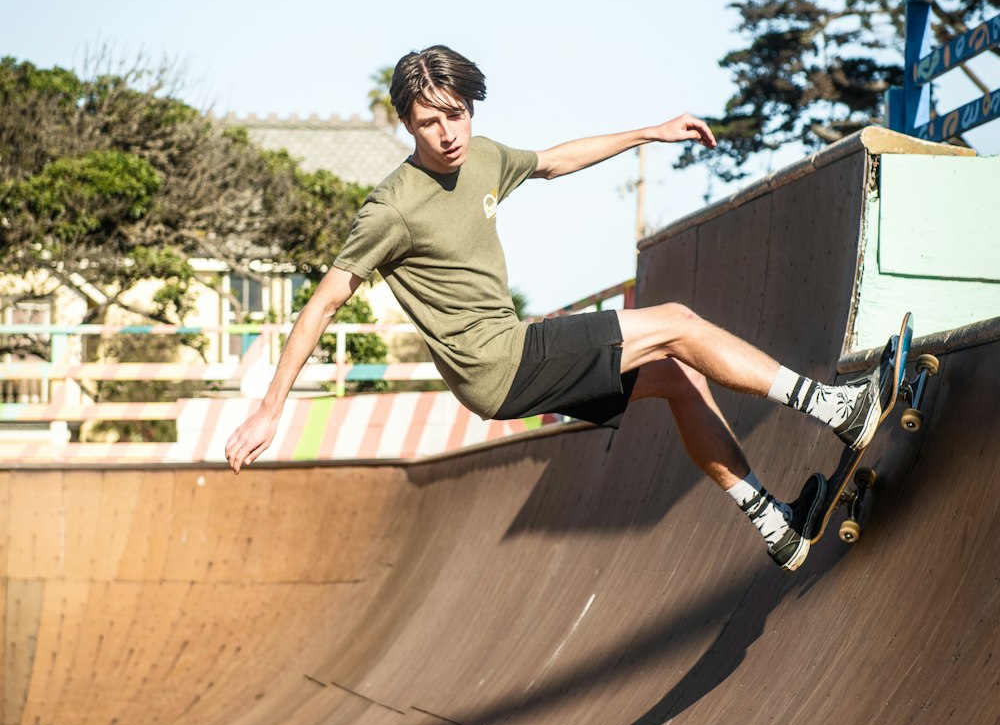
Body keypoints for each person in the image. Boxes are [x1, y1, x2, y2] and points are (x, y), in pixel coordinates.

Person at [225, 45, 898, 571]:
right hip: (500, 367)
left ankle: (773, 525)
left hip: (515, 350)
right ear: (407, 123)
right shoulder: (391, 208)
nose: (447, 134)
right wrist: (271, 407)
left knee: (675, 375)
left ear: (470, 108)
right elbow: (321, 305)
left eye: (456, 113)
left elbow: (553, 161)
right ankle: (837, 408)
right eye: (428, 122)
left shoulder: (484, 156)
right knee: (677, 323)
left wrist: (650, 132)